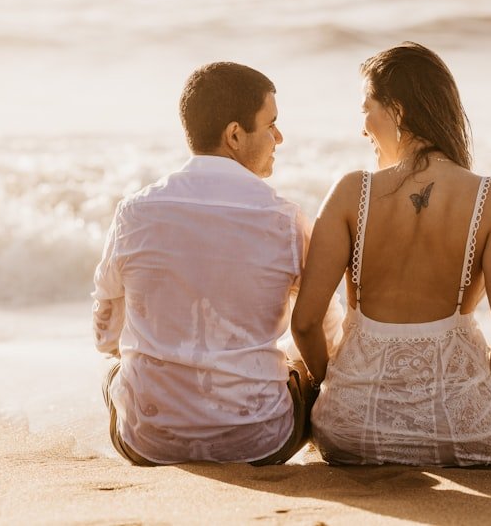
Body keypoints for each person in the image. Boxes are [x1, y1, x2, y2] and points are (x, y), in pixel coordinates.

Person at [291, 42, 491, 466]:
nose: (362, 129)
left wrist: (341, 387)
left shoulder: (350, 192)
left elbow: (305, 323)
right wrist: (489, 383)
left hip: (353, 431)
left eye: (366, 109)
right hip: (471, 430)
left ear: (397, 112)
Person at [92, 62, 342, 466]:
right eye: (271, 125)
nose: (279, 137)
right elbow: (324, 331)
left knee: (113, 374)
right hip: (260, 443)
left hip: (147, 443)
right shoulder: (286, 221)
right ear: (235, 135)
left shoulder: (134, 212)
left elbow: (106, 335)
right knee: (301, 367)